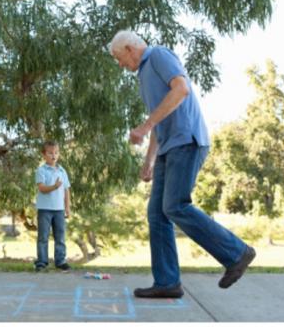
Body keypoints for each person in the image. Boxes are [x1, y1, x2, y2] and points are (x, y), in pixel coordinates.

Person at [108, 30, 256, 298]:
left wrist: (144, 126)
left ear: (130, 48)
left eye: (118, 58)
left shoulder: (159, 56)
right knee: (157, 214)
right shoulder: (143, 76)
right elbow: (159, 117)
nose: (119, 65)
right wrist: (149, 160)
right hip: (168, 148)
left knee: (175, 206)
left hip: (187, 141)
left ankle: (236, 253)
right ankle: (167, 282)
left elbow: (181, 90)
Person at [34, 140, 72, 272]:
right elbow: (42, 188)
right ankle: (42, 262)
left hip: (59, 210)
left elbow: (66, 190)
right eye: (50, 153)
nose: (53, 155)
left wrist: (67, 208)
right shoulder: (41, 170)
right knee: (43, 237)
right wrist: (54, 186)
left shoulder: (62, 171)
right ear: (44, 154)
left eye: (56, 152)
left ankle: (60, 261)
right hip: (44, 209)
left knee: (60, 236)